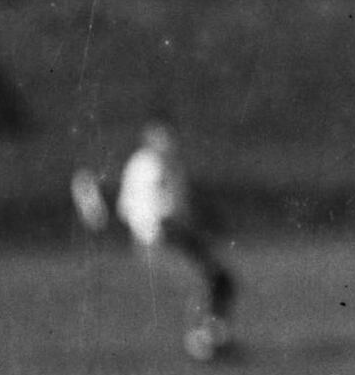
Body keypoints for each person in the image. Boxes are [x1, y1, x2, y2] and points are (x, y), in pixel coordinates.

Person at [74, 118, 238, 362]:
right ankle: (203, 344)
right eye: (161, 135)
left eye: (170, 134)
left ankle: (213, 338)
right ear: (148, 136)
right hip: (158, 240)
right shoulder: (147, 165)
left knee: (221, 281)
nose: (168, 140)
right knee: (201, 285)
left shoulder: (169, 164)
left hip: (175, 236)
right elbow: (151, 211)